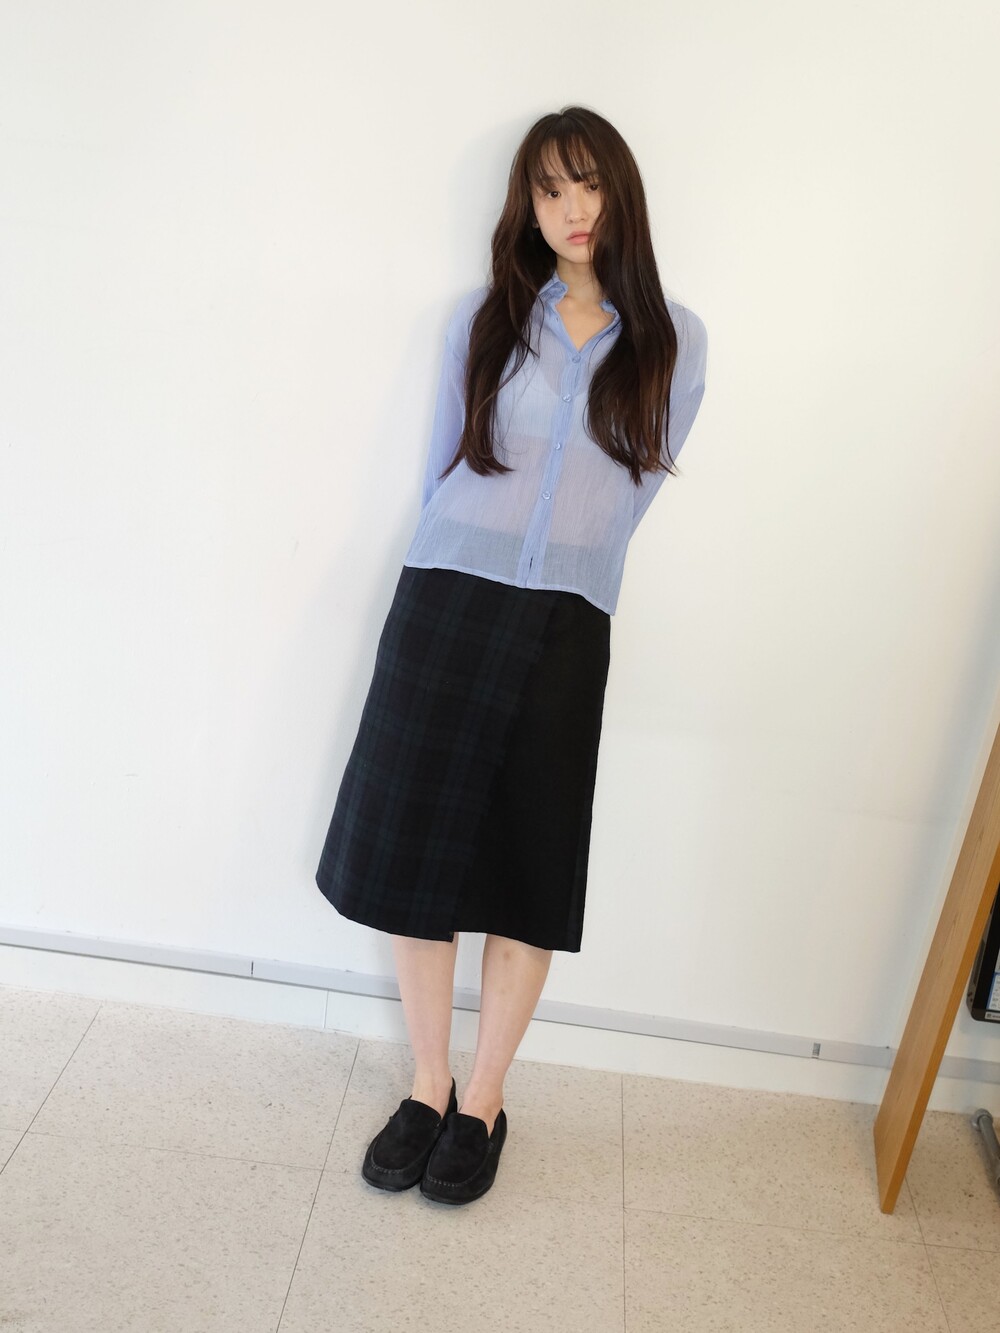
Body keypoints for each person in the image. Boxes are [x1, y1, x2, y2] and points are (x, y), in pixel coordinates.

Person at [315, 105, 708, 1205]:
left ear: (620, 193)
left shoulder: (673, 341)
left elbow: (632, 495)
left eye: (589, 183)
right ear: (526, 207)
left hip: (565, 623)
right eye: (549, 188)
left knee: (527, 865)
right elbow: (442, 464)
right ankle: (427, 1083)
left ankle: (484, 1100)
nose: (572, 208)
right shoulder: (485, 320)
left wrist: (563, 571)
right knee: (417, 857)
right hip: (448, 599)